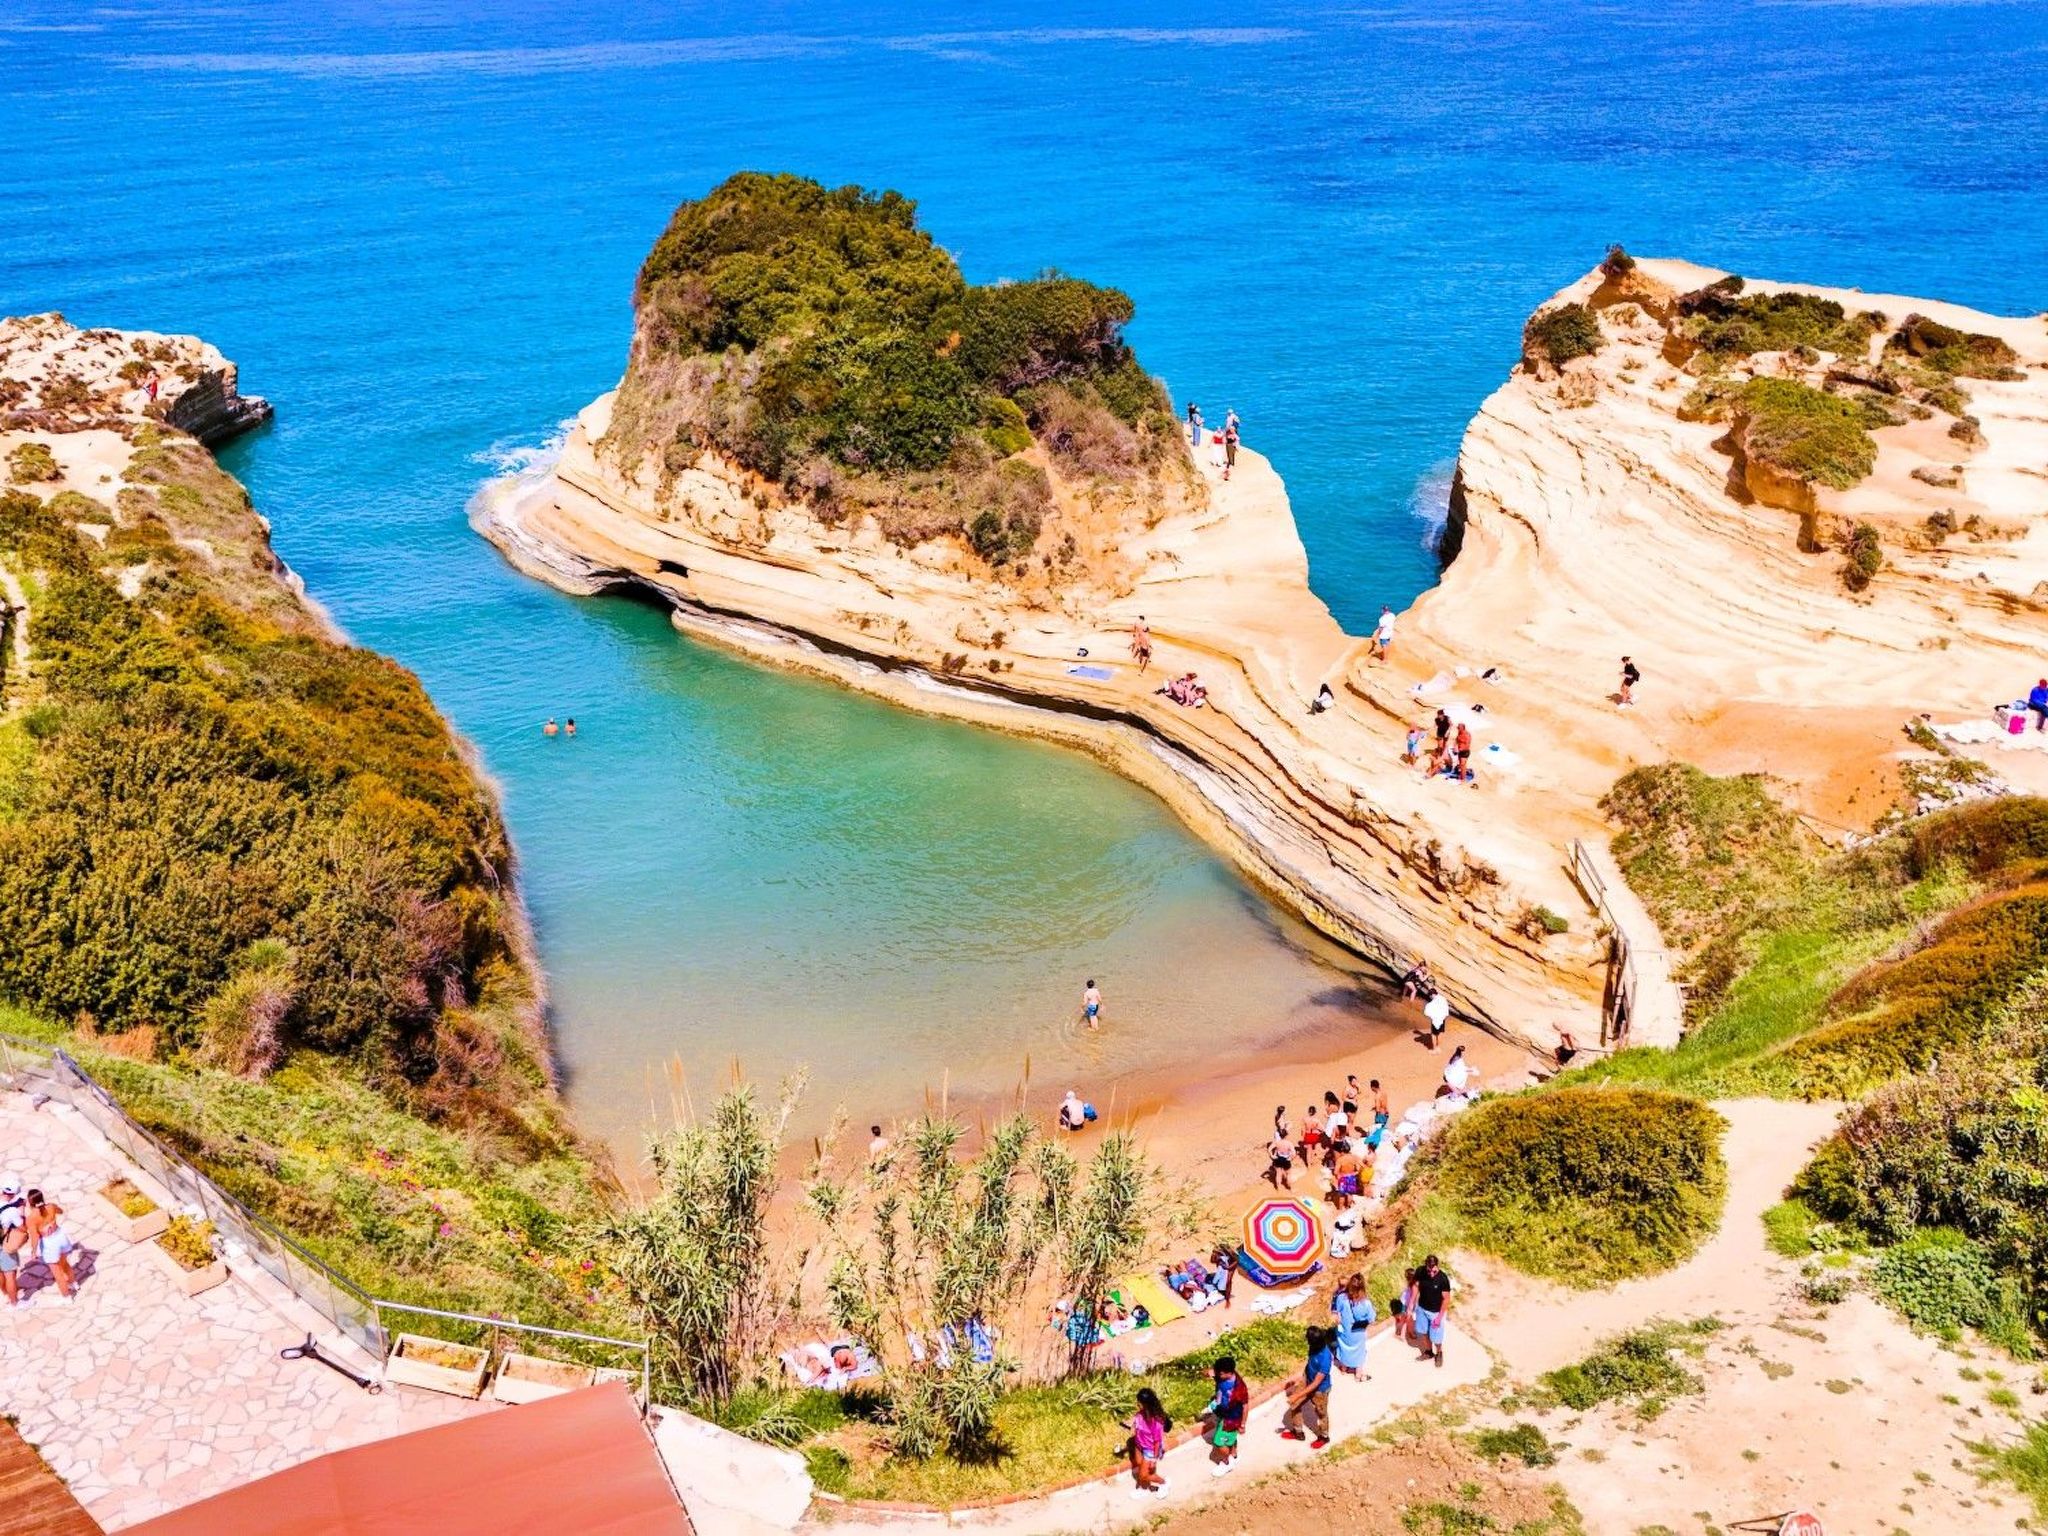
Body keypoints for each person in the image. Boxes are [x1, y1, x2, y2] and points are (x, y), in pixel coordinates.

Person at [1278, 1325, 1335, 1449]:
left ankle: (1324, 1437)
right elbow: (1309, 1363)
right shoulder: (1314, 1346)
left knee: (1321, 1413)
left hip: (1320, 1390)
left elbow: (1316, 1383)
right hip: (1307, 1379)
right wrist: (1301, 1378)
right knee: (1295, 1404)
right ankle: (1298, 1432)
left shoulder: (1325, 1358)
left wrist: (1297, 1394)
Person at [25, 1188, 76, 1303]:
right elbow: (61, 1211)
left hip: (50, 1244)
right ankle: (74, 1283)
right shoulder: (51, 1207)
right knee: (64, 1264)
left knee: (57, 1273)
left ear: (30, 1202)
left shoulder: (31, 1218)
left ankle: (66, 1297)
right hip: (61, 1237)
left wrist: (33, 1251)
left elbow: (35, 1237)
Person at [1204, 1356, 1249, 1475]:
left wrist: (1242, 1425)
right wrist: (1208, 1373)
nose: (1217, 1375)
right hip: (1223, 1412)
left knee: (1219, 1443)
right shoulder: (1223, 1375)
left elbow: (1245, 1407)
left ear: (1228, 1373)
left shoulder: (1239, 1389)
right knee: (1230, 1438)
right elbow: (1211, 1373)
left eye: (1220, 1374)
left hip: (1231, 1419)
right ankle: (1233, 1455)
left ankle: (1227, 1462)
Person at [1126, 1387, 1172, 1497]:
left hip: (1150, 1450)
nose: (1137, 1404)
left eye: (1139, 1402)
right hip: (1139, 1444)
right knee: (1138, 1463)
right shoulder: (1141, 1413)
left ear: (1147, 1404)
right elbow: (1136, 1419)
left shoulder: (1156, 1422)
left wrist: (1153, 1460)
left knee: (1143, 1475)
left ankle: (1164, 1483)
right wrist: (1129, 1422)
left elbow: (1157, 1442)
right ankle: (1144, 1488)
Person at [1331, 1273, 1375, 1379]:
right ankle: (1358, 1374)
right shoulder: (1366, 1303)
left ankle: (1343, 1368)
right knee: (1360, 1351)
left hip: (1345, 1331)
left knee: (1344, 1348)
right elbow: (1371, 1319)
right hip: (1358, 1332)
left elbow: (1336, 1312)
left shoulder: (1341, 1298)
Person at [1413, 1254, 1453, 1366]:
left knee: (1436, 1337)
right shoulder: (1420, 1271)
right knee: (1424, 1332)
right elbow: (1416, 1286)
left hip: (1435, 1313)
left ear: (1437, 1266)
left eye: (1434, 1271)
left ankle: (1439, 1352)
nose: (1431, 1274)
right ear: (1426, 1266)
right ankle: (1429, 1352)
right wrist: (1411, 1304)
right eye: (1429, 1271)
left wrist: (1439, 1318)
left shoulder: (1443, 1279)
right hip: (1422, 1309)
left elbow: (1446, 1299)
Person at [0, 1173, 25, 1308]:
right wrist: (21, 1210)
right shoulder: (11, 1211)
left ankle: (5, 1293)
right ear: (14, 1195)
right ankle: (15, 1303)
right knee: (10, 1274)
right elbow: (22, 1228)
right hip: (2, 1246)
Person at [1265, 1122, 1295, 1190]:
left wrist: (1272, 1156)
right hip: (1286, 1159)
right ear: (1286, 1135)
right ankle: (1290, 1189)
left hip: (1278, 1159)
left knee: (1278, 1174)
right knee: (1288, 1174)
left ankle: (1278, 1188)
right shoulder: (1289, 1143)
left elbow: (1269, 1149)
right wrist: (1290, 1158)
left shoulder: (1277, 1142)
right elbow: (1294, 1153)